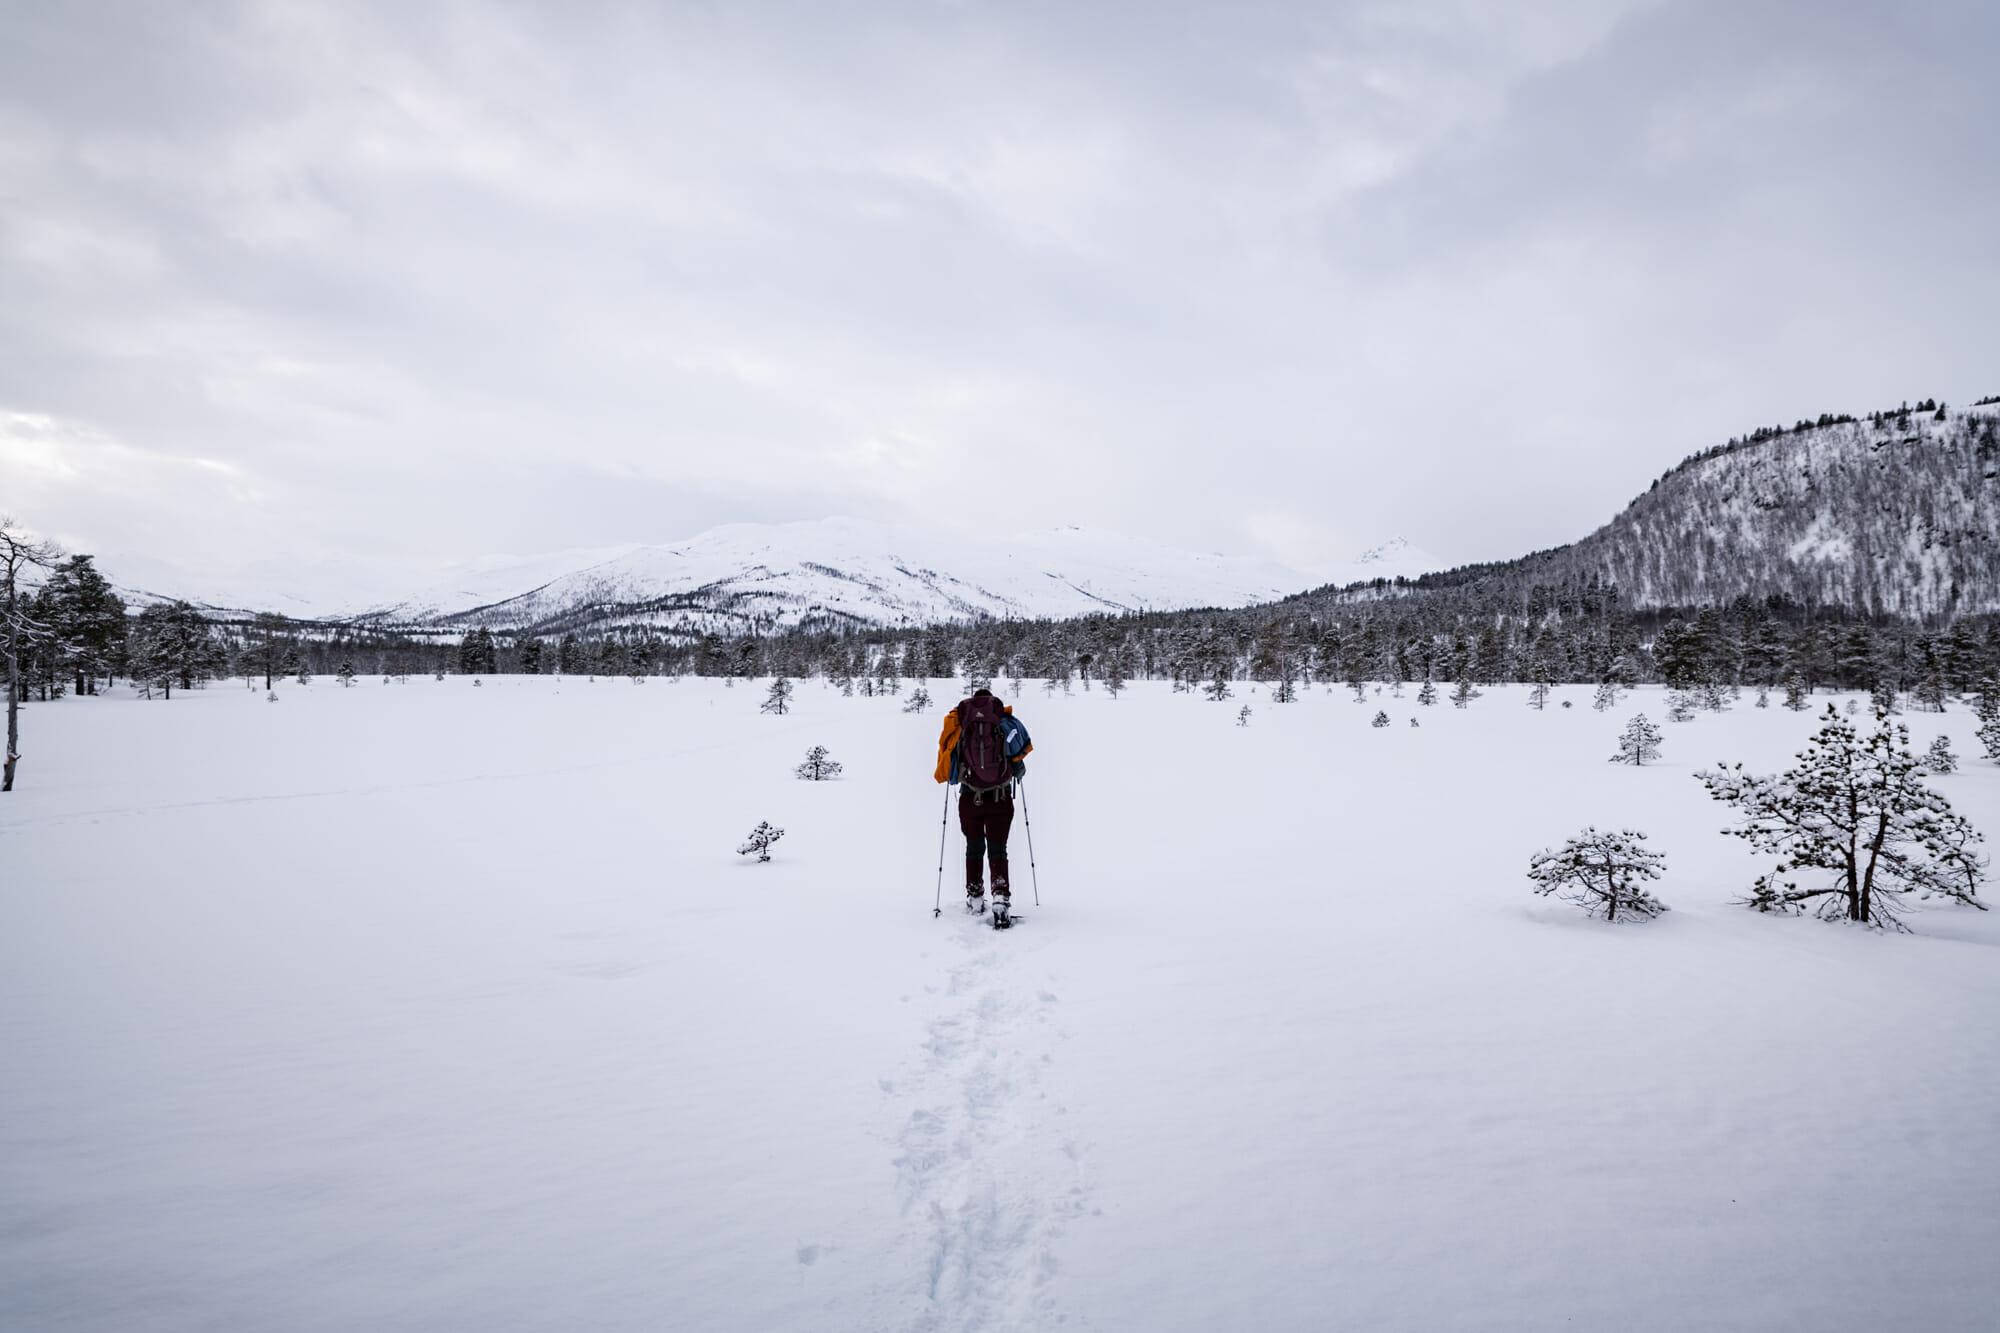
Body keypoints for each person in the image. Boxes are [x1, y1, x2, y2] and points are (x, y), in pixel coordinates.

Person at [934, 686, 1033, 918]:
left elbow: (950, 759)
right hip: (1000, 797)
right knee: (998, 848)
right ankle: (1000, 896)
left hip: (970, 797)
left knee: (974, 846)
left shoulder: (960, 724)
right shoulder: (1003, 722)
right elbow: (1019, 765)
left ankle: (975, 896)